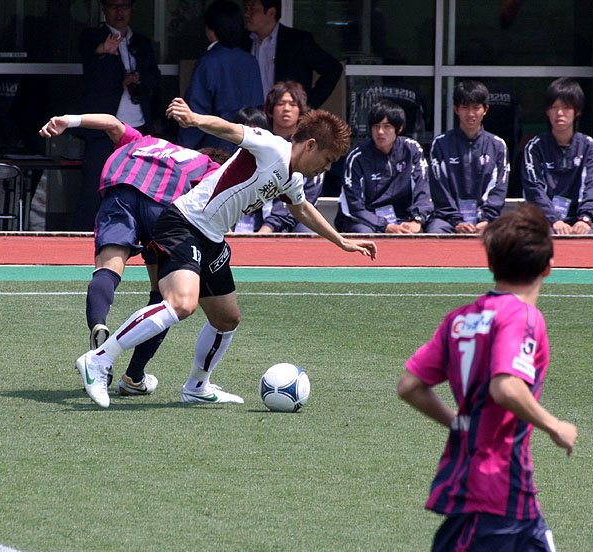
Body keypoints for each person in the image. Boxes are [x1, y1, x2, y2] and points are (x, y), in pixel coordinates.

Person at [75, 97, 377, 408]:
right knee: (181, 303)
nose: (326, 168)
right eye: (328, 159)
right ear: (311, 145)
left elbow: (301, 209)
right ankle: (99, 359)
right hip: (184, 223)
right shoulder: (272, 147)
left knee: (226, 319)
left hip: (212, 238)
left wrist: (341, 241)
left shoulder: (293, 177)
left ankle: (197, 386)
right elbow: (231, 130)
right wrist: (194, 119)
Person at [397, 203, 577, 552]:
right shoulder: (523, 317)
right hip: (492, 493)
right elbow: (505, 387)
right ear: (548, 266)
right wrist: (554, 425)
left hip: (516, 498)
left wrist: (458, 422)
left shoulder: (461, 319)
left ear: (491, 265)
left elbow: (410, 386)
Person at [39, 112, 224, 395]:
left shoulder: (144, 140)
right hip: (164, 208)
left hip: (120, 193)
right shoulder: (208, 165)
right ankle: (134, 377)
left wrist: (68, 120)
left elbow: (111, 122)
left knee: (108, 267)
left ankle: (98, 325)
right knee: (165, 297)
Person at [74, 0, 161, 230]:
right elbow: (89, 64)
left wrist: (138, 80)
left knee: (139, 185)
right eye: (113, 6)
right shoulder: (93, 36)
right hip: (103, 129)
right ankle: (84, 235)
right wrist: (103, 49)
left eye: (124, 6)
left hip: (137, 127)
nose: (119, 11)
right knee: (95, 186)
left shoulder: (141, 42)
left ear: (132, 9)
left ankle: (136, 234)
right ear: (104, 9)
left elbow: (155, 77)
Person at [334, 100, 433, 234]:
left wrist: (417, 220)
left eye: (387, 126)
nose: (380, 132)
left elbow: (423, 190)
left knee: (430, 229)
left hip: (403, 218)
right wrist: (385, 226)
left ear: (399, 128)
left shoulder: (411, 149)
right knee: (364, 232)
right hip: (365, 221)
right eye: (376, 126)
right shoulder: (357, 157)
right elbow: (354, 207)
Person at [241, 0, 343, 109]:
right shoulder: (242, 41)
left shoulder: (297, 41)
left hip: (286, 114)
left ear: (271, 12)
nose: (246, 14)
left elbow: (333, 69)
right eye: (245, 9)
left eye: (252, 9)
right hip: (250, 116)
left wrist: (307, 106)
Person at [521, 78, 593, 235]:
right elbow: (534, 189)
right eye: (554, 107)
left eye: (566, 107)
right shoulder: (534, 147)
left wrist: (585, 218)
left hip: (578, 219)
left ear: (577, 111)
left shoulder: (590, 146)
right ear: (547, 111)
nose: (559, 113)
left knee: (588, 236)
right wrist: (554, 220)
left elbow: (591, 186)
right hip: (543, 220)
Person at [180, 0, 263, 152]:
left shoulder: (207, 62)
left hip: (215, 147)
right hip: (249, 144)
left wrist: (185, 148)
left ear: (209, 29)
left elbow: (196, 111)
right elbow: (258, 107)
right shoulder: (251, 61)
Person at [427, 80, 509, 234]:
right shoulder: (440, 144)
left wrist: (485, 219)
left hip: (487, 221)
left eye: (476, 108)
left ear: (485, 109)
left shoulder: (497, 145)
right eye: (465, 108)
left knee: (508, 233)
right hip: (447, 220)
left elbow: (498, 188)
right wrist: (456, 221)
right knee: (435, 231)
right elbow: (439, 188)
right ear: (456, 109)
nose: (471, 114)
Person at [255, 81, 323, 234]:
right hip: (258, 214)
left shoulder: (310, 148)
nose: (286, 109)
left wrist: (269, 226)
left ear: (301, 111)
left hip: (299, 217)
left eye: (292, 104)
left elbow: (307, 197)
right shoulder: (259, 143)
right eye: (280, 104)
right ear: (270, 111)